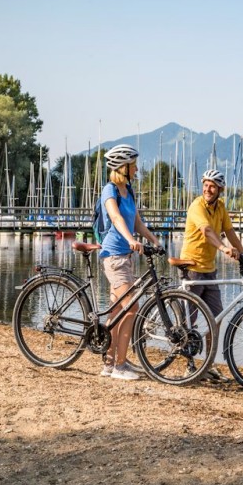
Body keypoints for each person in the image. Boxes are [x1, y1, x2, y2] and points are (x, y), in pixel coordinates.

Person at [98, 143, 162, 380]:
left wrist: (155, 240)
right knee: (131, 307)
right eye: (133, 166)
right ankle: (120, 366)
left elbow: (137, 222)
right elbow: (115, 217)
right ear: (122, 167)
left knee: (115, 313)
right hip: (114, 256)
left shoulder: (129, 191)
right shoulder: (110, 190)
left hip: (126, 256)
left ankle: (109, 363)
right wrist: (130, 240)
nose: (136, 170)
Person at [179, 169, 243, 380]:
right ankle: (190, 365)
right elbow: (207, 231)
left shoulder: (221, 207)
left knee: (216, 318)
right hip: (192, 269)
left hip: (210, 271)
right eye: (206, 185)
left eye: (213, 186)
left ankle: (208, 364)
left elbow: (230, 232)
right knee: (189, 322)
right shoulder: (196, 206)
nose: (208, 189)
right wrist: (223, 249)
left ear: (220, 190)